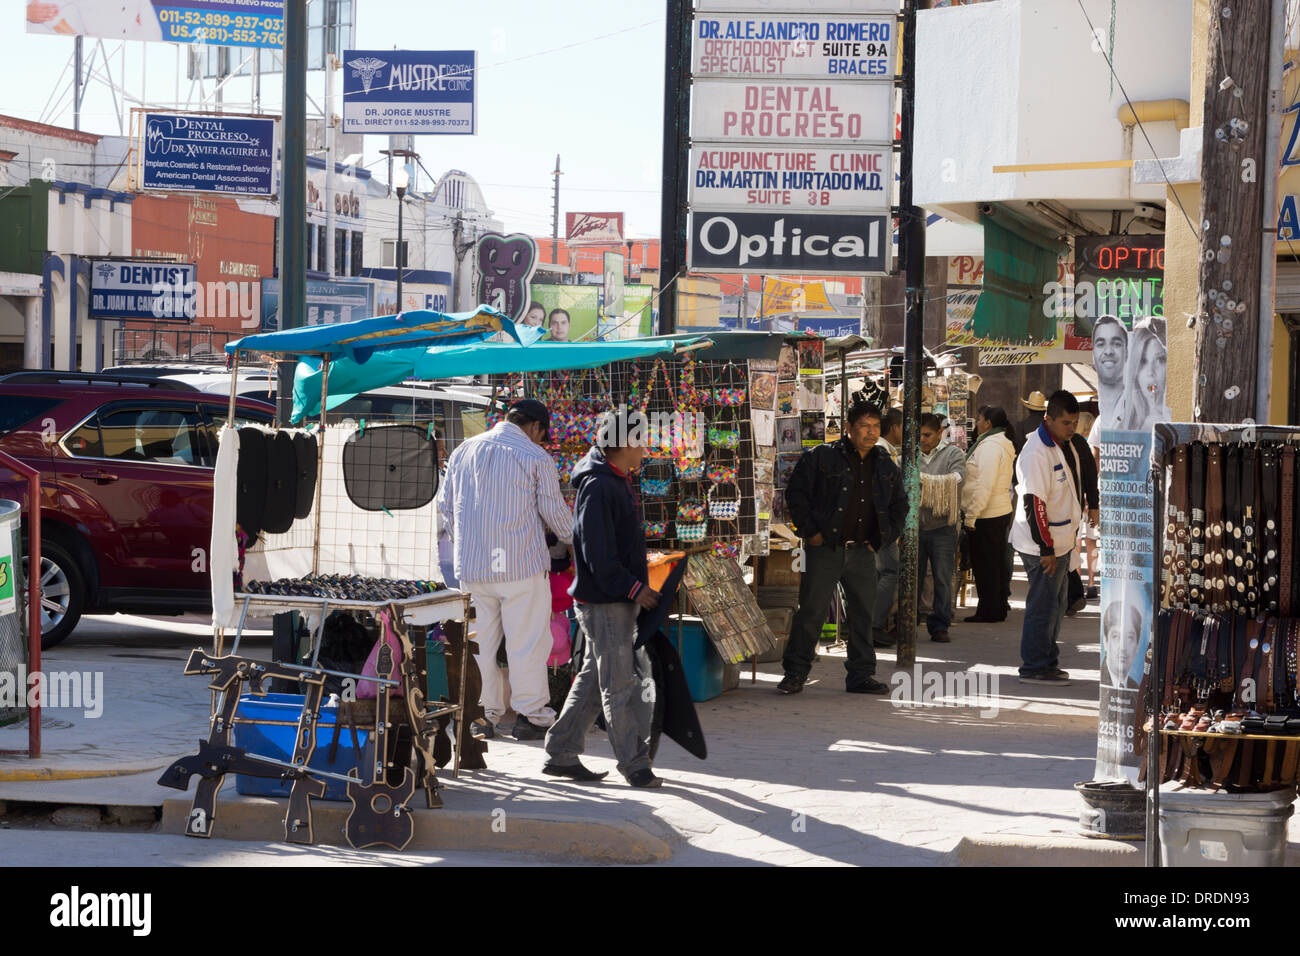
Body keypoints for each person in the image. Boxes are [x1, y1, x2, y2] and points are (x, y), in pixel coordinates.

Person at [436, 398, 574, 740]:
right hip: (520, 565)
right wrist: (576, 540)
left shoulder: (463, 451)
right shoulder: (534, 456)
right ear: (536, 428)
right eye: (543, 435)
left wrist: (466, 543)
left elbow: (446, 508)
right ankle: (531, 716)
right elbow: (556, 514)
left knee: (480, 644)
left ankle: (484, 716)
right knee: (526, 642)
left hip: (474, 567)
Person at [543, 409, 663, 788]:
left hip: (610, 600)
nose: (645, 449)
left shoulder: (613, 479)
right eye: (641, 441)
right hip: (606, 603)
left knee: (597, 679)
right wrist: (633, 588)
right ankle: (635, 764)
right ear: (625, 443)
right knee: (618, 685)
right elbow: (596, 554)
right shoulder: (599, 486)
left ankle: (561, 751)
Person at [779, 402, 907, 695]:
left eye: (875, 426)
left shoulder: (885, 464)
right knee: (811, 611)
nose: (871, 432)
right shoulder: (822, 457)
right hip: (826, 549)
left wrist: (881, 539)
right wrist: (810, 533)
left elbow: (900, 505)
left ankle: (861, 675)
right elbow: (796, 494)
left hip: (863, 550)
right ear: (848, 428)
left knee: (864, 614)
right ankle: (795, 672)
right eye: (864, 425)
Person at [1010, 390, 1084, 685]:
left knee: (1055, 606)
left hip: (1061, 540)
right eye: (1066, 422)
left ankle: (1047, 661)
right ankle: (1034, 665)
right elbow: (1033, 502)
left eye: (1075, 422)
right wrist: (1046, 548)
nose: (1072, 428)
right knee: (1043, 607)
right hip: (1044, 543)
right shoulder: (1036, 452)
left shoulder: (1065, 444)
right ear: (1048, 418)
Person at [961, 405, 1017, 623]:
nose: (977, 423)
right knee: (993, 563)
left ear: (988, 423)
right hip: (995, 510)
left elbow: (984, 484)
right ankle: (995, 606)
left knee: (987, 565)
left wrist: (971, 516)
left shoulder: (992, 446)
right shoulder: (994, 443)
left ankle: (989, 610)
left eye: (979, 419)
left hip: (988, 513)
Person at [917, 414, 966, 643]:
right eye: (919, 435)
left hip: (943, 526)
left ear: (939, 433)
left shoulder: (953, 454)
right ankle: (909, 620)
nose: (922, 440)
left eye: (927, 435)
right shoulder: (911, 454)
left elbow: (958, 478)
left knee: (943, 577)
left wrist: (922, 482)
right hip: (915, 526)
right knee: (912, 577)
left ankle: (940, 625)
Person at [872, 408, 904, 648]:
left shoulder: (886, 451)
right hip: (882, 526)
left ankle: (875, 623)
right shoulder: (883, 452)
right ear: (894, 427)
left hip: (883, 525)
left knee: (883, 572)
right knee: (889, 571)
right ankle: (874, 624)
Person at [1119, 318, 1168, 434]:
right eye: (1143, 361)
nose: (1150, 372)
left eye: (1160, 359)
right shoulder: (1118, 421)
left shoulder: (1177, 421)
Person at [1092, 314, 1129, 428]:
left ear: (1126, 351)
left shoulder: (1139, 412)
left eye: (1116, 344)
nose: (1108, 351)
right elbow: (1095, 446)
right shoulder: (1100, 422)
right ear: (1093, 353)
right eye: (1101, 344)